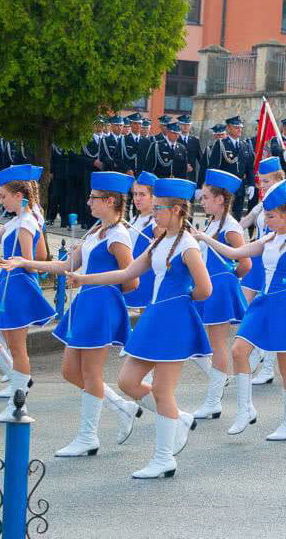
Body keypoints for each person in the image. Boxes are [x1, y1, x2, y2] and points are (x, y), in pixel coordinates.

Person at [65, 178, 212, 479]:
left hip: (173, 319)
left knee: (162, 390)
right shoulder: (160, 242)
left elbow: (205, 289)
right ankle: (180, 421)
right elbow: (126, 272)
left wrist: (180, 302)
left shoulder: (188, 245)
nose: (153, 212)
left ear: (176, 210)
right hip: (154, 319)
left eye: (159, 208)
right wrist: (84, 279)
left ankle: (163, 458)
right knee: (128, 381)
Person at [1, 172, 141, 453]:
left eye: (94, 198)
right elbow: (66, 266)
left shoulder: (118, 236)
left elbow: (131, 279)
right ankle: (122, 407)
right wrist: (24, 262)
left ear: (110, 200)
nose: (88, 202)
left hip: (100, 305)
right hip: (85, 304)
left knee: (90, 373)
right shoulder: (96, 231)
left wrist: (103, 293)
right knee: (69, 371)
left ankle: (88, 438)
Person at [195, 179, 286, 440]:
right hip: (264, 303)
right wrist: (204, 237)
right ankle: (245, 409)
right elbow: (236, 252)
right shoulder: (270, 238)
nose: (267, 219)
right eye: (266, 214)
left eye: (272, 215)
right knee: (239, 350)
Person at [191, 170, 250, 425]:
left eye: (206, 197)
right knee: (202, 340)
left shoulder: (230, 226)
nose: (202, 202)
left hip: (220, 287)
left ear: (220, 200)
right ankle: (217, 385)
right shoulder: (213, 222)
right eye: (202, 197)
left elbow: (245, 262)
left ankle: (213, 402)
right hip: (210, 286)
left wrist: (229, 278)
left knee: (216, 344)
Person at [0, 165, 55, 421]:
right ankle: (16, 393)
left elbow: (30, 261)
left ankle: (17, 403)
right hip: (11, 285)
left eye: (3, 196)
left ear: (18, 196)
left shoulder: (24, 223)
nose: (0, 201)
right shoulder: (26, 218)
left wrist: (9, 261)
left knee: (18, 350)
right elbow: (43, 255)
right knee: (15, 347)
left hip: (16, 288)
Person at [238, 158, 286, 385]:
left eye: (266, 181)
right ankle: (257, 350)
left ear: (278, 179)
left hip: (272, 262)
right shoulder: (262, 202)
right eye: (260, 181)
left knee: (267, 314)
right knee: (249, 310)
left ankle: (268, 366)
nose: (262, 185)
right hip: (257, 260)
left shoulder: (283, 202)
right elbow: (244, 222)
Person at [199, 116, 254, 220]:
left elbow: (249, 168)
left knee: (237, 216)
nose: (239, 129)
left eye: (240, 127)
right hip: (224, 188)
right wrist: (211, 189)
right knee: (223, 216)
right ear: (228, 128)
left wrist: (251, 184)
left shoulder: (245, 146)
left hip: (240, 187)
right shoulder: (221, 144)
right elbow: (213, 168)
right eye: (236, 127)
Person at [123, 172, 160, 311]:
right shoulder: (134, 219)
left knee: (146, 318)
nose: (137, 199)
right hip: (134, 273)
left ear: (153, 197)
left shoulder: (156, 222)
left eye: (142, 194)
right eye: (135, 194)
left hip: (148, 276)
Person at [176, 115, 201, 182]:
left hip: (191, 175)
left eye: (187, 125)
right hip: (177, 174)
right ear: (179, 125)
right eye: (183, 124)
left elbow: (200, 159)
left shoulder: (195, 140)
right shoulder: (175, 139)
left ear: (190, 126)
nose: (185, 127)